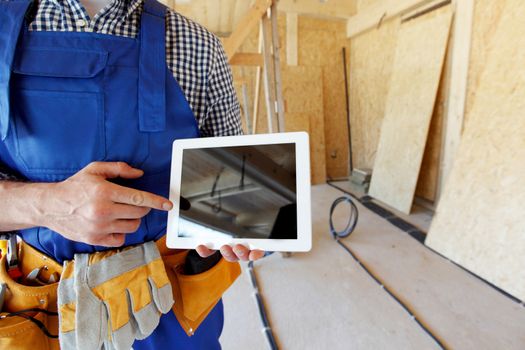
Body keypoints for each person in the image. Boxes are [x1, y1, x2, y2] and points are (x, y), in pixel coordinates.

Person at [0, 0, 264, 348]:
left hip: (167, 300)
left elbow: (231, 190)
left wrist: (238, 225)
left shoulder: (199, 47)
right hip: (41, 309)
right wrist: (48, 205)